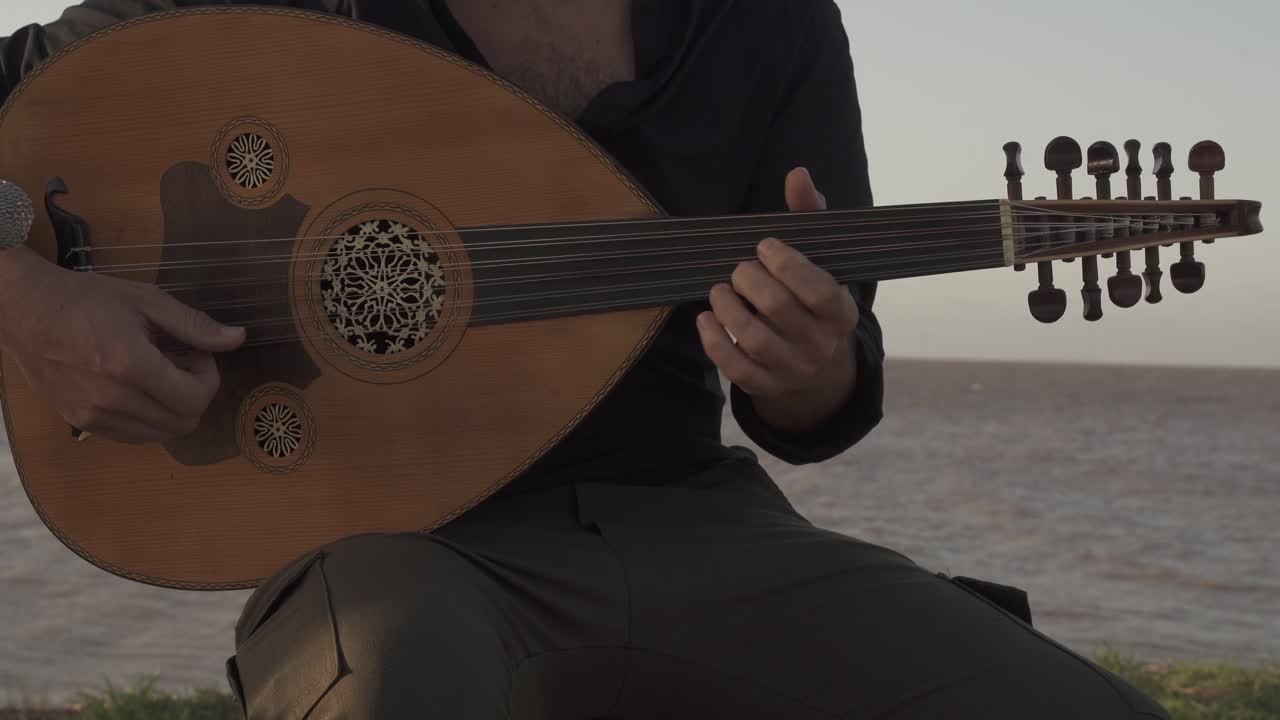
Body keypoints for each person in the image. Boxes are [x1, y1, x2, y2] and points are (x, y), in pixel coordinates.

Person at [0, 1, 1171, 718]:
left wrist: (802, 366)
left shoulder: (769, 23)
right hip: (398, 543)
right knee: (384, 687)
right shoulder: (286, 0)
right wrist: (32, 301)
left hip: (693, 522)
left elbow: (827, 382)